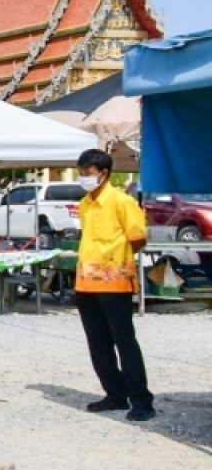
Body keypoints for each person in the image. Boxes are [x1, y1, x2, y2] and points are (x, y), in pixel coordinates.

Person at [73, 149, 153, 421]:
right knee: (98, 343)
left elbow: (138, 238)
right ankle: (115, 393)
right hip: (86, 283)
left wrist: (116, 259)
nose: (84, 177)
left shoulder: (122, 201)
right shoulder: (85, 204)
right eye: (81, 172)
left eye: (88, 173)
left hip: (114, 282)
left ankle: (141, 399)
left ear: (104, 174)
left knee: (124, 341)